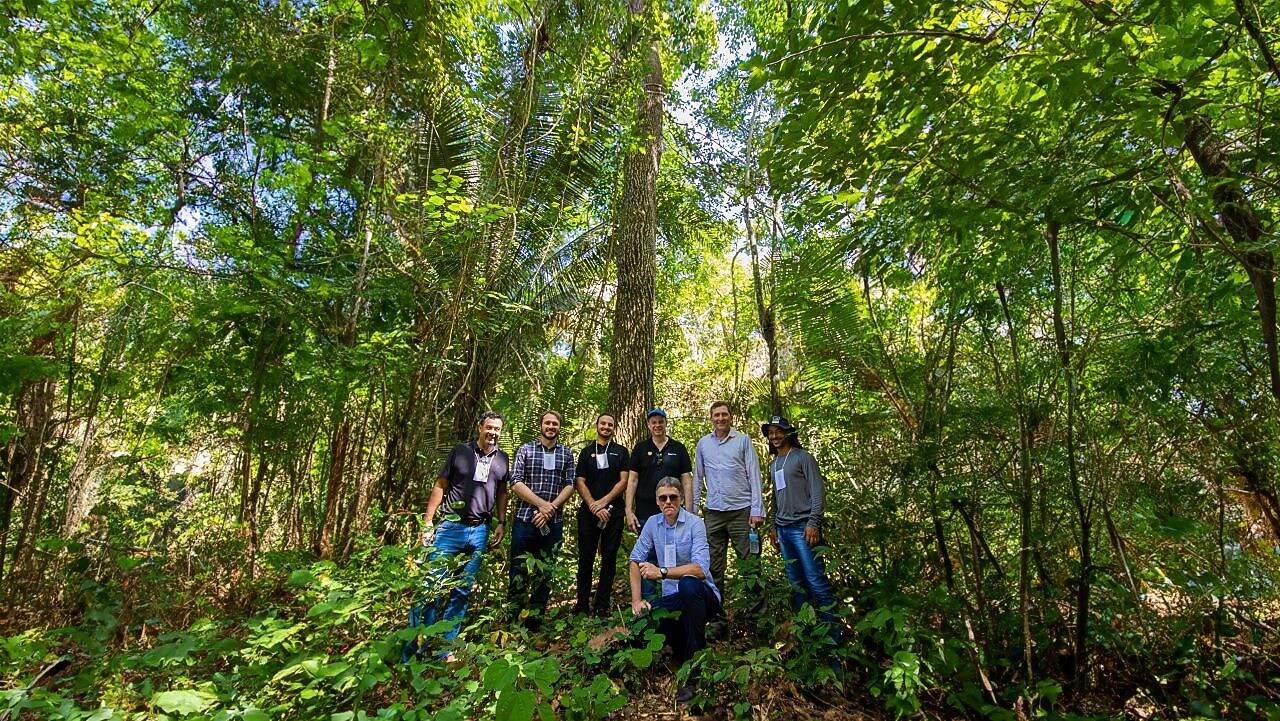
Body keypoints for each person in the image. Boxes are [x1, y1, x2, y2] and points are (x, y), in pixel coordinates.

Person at [404, 411, 510, 663]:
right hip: (451, 528)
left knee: (462, 591)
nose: (492, 433)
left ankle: (444, 648)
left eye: (497, 429)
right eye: (489, 427)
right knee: (432, 587)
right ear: (479, 427)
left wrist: (501, 522)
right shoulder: (461, 451)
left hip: (480, 530)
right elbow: (440, 485)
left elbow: (503, 492)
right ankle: (413, 650)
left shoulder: (502, 459)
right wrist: (428, 522)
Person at [629, 477, 721, 705]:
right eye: (663, 497)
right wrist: (637, 600)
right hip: (673, 599)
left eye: (673, 497)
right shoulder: (652, 523)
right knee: (645, 617)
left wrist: (661, 571)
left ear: (681, 499)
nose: (668, 501)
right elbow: (634, 559)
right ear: (657, 501)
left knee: (689, 585)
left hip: (702, 594)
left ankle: (694, 678)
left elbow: (700, 570)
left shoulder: (695, 523)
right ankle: (686, 651)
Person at [762, 415, 841, 647]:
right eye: (770, 433)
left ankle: (834, 642)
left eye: (779, 431)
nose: (775, 436)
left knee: (817, 582)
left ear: (788, 433)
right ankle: (807, 639)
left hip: (803, 528)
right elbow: (776, 498)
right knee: (796, 584)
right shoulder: (774, 464)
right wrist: (773, 526)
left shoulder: (803, 458)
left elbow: (817, 492)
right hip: (784, 530)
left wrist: (813, 522)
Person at [694, 401, 764, 629]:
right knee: (713, 568)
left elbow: (754, 474)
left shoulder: (742, 441)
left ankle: (757, 621)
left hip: (741, 512)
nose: (721, 418)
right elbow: (697, 478)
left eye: (724, 414)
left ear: (731, 417)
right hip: (713, 513)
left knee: (750, 565)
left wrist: (757, 509)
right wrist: (693, 512)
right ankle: (717, 620)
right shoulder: (704, 444)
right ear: (711, 418)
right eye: (716, 415)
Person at [508, 410, 576, 631]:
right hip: (525, 520)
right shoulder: (526, 450)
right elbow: (516, 481)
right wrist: (541, 505)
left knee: (544, 573)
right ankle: (512, 621)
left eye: (555, 424)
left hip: (553, 523)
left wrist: (551, 508)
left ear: (559, 427)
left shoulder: (566, 453)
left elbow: (570, 484)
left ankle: (534, 623)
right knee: (519, 569)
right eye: (547, 423)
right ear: (541, 425)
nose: (551, 426)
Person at [574, 412, 631, 616]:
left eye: (610, 424)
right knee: (586, 558)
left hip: (613, 513)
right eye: (603, 423)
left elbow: (624, 481)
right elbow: (579, 481)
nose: (606, 427)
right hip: (589, 513)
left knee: (609, 558)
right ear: (597, 425)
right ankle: (581, 604)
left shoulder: (621, 452)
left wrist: (604, 503)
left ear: (614, 428)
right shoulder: (586, 452)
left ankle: (602, 605)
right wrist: (593, 505)